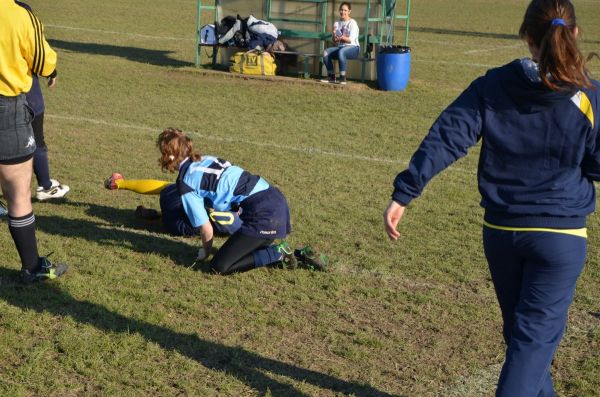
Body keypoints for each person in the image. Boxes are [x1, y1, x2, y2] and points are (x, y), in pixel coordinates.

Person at [383, 1, 598, 396]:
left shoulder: (493, 85)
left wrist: (405, 193)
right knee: (529, 345)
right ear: (575, 35)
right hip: (560, 238)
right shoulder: (589, 95)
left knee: (522, 342)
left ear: (526, 37)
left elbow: (447, 136)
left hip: (501, 234)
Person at [155, 127, 329, 274]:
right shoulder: (206, 158)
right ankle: (297, 254)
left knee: (219, 266)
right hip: (275, 198)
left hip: (263, 214)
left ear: (170, 155)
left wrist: (205, 252)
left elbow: (205, 227)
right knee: (245, 250)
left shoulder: (185, 181)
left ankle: (278, 254)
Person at [0, 0, 68, 283]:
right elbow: (43, 60)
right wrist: (52, 70)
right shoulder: (18, 13)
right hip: (7, 109)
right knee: (17, 194)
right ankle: (32, 266)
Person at [16, 1, 70, 201]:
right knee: (36, 140)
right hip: (22, 89)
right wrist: (51, 70)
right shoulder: (20, 11)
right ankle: (45, 185)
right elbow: (37, 50)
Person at [103, 172, 242, 237]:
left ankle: (119, 183)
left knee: (177, 188)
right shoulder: (245, 228)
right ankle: (158, 217)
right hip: (176, 227)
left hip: (172, 200)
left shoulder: (244, 200)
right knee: (198, 219)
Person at [320, 2, 360, 85]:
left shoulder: (353, 23)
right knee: (325, 52)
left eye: (345, 10)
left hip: (353, 48)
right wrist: (334, 36)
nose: (343, 12)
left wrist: (341, 37)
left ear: (349, 11)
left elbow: (350, 40)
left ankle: (342, 78)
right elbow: (334, 40)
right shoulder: (337, 23)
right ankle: (331, 77)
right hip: (341, 48)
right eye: (341, 10)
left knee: (341, 52)